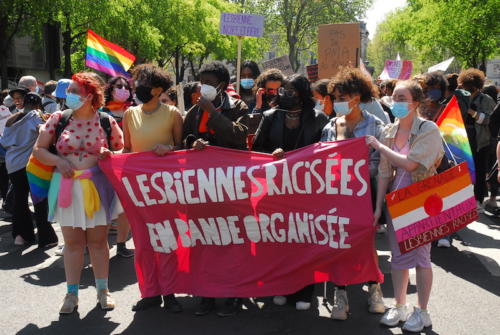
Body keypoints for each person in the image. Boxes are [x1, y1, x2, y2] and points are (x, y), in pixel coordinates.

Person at [33, 72, 124, 315]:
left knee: (98, 243)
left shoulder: (106, 120)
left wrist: (110, 155)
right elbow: (39, 149)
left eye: (75, 91)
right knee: (72, 244)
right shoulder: (58, 117)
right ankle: (71, 294)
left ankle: (103, 291)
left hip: (98, 188)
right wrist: (57, 161)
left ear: (91, 95)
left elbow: (121, 150)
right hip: (66, 188)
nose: (70, 95)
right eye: (70, 90)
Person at [367, 80, 444, 332]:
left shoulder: (428, 129)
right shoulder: (389, 130)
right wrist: (378, 208)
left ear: (416, 102)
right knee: (398, 257)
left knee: (421, 257)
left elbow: (412, 164)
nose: (397, 102)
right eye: (395, 97)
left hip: (422, 202)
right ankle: (399, 306)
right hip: (395, 204)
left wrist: (379, 147)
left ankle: (422, 312)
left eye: (403, 98)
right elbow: (384, 173)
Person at [253, 74, 328, 311]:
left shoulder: (319, 119)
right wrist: (270, 156)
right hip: (275, 190)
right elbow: (256, 151)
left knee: (303, 240)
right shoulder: (269, 117)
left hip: (307, 190)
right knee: (278, 240)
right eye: (284, 90)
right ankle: (281, 285)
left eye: (292, 91)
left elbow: (326, 154)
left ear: (303, 94)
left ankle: (305, 289)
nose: (286, 94)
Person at [183, 61, 248, 317]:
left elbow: (239, 136)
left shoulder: (238, 106)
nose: (204, 87)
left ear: (222, 84)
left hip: (231, 187)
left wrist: (215, 113)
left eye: (209, 82)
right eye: (202, 82)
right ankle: (206, 295)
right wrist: (193, 143)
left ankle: (233, 294)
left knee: (232, 240)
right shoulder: (194, 111)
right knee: (204, 240)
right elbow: (184, 141)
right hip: (201, 188)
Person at [319, 67, 385, 320]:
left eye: (341, 98)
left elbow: (380, 164)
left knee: (366, 243)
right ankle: (341, 293)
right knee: (338, 242)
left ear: (356, 98)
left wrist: (355, 173)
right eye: (334, 98)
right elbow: (320, 160)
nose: (336, 103)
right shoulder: (330, 127)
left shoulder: (376, 125)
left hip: (364, 196)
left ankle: (374, 288)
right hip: (336, 196)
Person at [123, 64, 184, 313]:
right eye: (136, 83)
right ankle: (149, 292)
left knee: (167, 242)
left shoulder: (173, 114)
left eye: (142, 84)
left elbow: (182, 151)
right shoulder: (129, 115)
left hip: (166, 190)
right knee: (143, 243)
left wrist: (169, 150)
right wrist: (109, 157)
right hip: (139, 191)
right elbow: (126, 151)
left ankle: (169, 292)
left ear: (158, 89)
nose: (137, 88)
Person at [0, 92, 58, 247]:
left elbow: (4, 142)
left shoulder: (11, 119)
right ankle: (46, 238)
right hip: (31, 164)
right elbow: (43, 131)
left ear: (24, 103)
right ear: (38, 104)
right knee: (39, 199)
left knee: (20, 200)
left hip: (12, 164)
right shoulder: (36, 115)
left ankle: (20, 236)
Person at [101, 75, 134, 257]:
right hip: (105, 167)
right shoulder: (101, 112)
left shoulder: (133, 111)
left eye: (126, 87)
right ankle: (100, 243)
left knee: (124, 210)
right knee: (104, 208)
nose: (123, 90)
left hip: (127, 168)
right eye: (118, 86)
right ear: (110, 90)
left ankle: (121, 244)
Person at [458, 68, 496, 212]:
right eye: (464, 88)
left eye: (470, 89)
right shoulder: (461, 98)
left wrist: (471, 111)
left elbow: (488, 119)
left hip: (481, 141)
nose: (467, 91)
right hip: (463, 138)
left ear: (477, 87)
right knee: (464, 171)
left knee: (480, 171)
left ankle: (478, 200)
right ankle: (464, 200)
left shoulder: (486, 99)